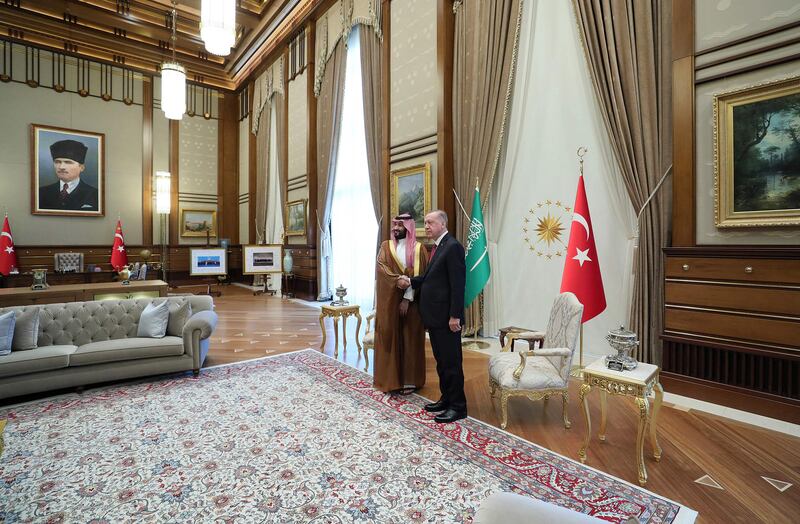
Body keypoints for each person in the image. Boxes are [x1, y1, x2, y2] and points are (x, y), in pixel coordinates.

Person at [397, 210, 467, 423]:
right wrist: (410, 281)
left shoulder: (453, 247)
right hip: (435, 317)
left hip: (447, 318)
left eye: (430, 222)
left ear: (443, 224)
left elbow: (458, 285)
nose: (426, 226)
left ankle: (458, 407)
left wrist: (455, 316)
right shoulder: (438, 247)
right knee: (442, 362)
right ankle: (446, 399)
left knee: (451, 363)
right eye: (425, 223)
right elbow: (430, 278)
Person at [373, 213, 429, 393]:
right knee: (390, 337)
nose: (395, 228)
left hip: (411, 303)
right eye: (394, 225)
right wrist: (396, 280)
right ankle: (390, 378)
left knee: (410, 338)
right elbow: (381, 267)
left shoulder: (419, 249)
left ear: (409, 227)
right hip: (389, 301)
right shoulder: (386, 246)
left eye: (400, 225)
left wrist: (406, 298)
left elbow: (421, 277)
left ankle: (410, 381)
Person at [38, 139, 99, 212]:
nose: (61, 167)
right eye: (57, 162)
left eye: (68, 162)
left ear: (81, 168)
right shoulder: (41, 193)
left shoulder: (95, 194)